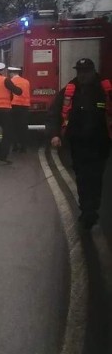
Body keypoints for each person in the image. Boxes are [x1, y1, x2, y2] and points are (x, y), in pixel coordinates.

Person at [49, 58, 112, 229]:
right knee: (82, 178)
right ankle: (86, 211)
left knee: (96, 178)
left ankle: (92, 209)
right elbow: (54, 112)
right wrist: (55, 134)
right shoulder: (70, 90)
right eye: (79, 71)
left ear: (92, 71)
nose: (82, 75)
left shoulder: (104, 89)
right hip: (77, 143)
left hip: (100, 143)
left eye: (85, 72)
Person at [8, 66, 31, 153]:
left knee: (14, 126)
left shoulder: (10, 81)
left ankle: (15, 146)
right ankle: (24, 146)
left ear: (12, 73)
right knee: (23, 127)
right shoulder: (26, 82)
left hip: (14, 106)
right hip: (25, 106)